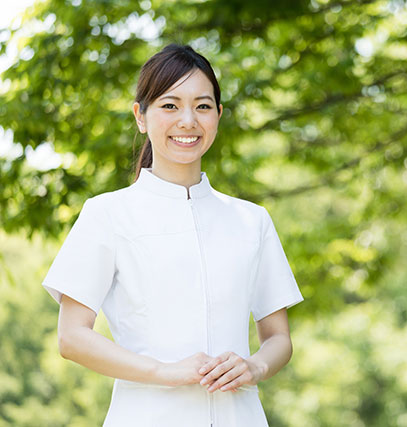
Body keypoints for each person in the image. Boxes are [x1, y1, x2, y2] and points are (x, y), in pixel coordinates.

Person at [41, 43, 304, 426]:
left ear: (218, 115)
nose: (187, 120)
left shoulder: (252, 220)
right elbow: (72, 338)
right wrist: (166, 372)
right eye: (169, 105)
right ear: (141, 116)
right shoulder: (108, 214)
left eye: (202, 106)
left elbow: (278, 338)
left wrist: (254, 367)